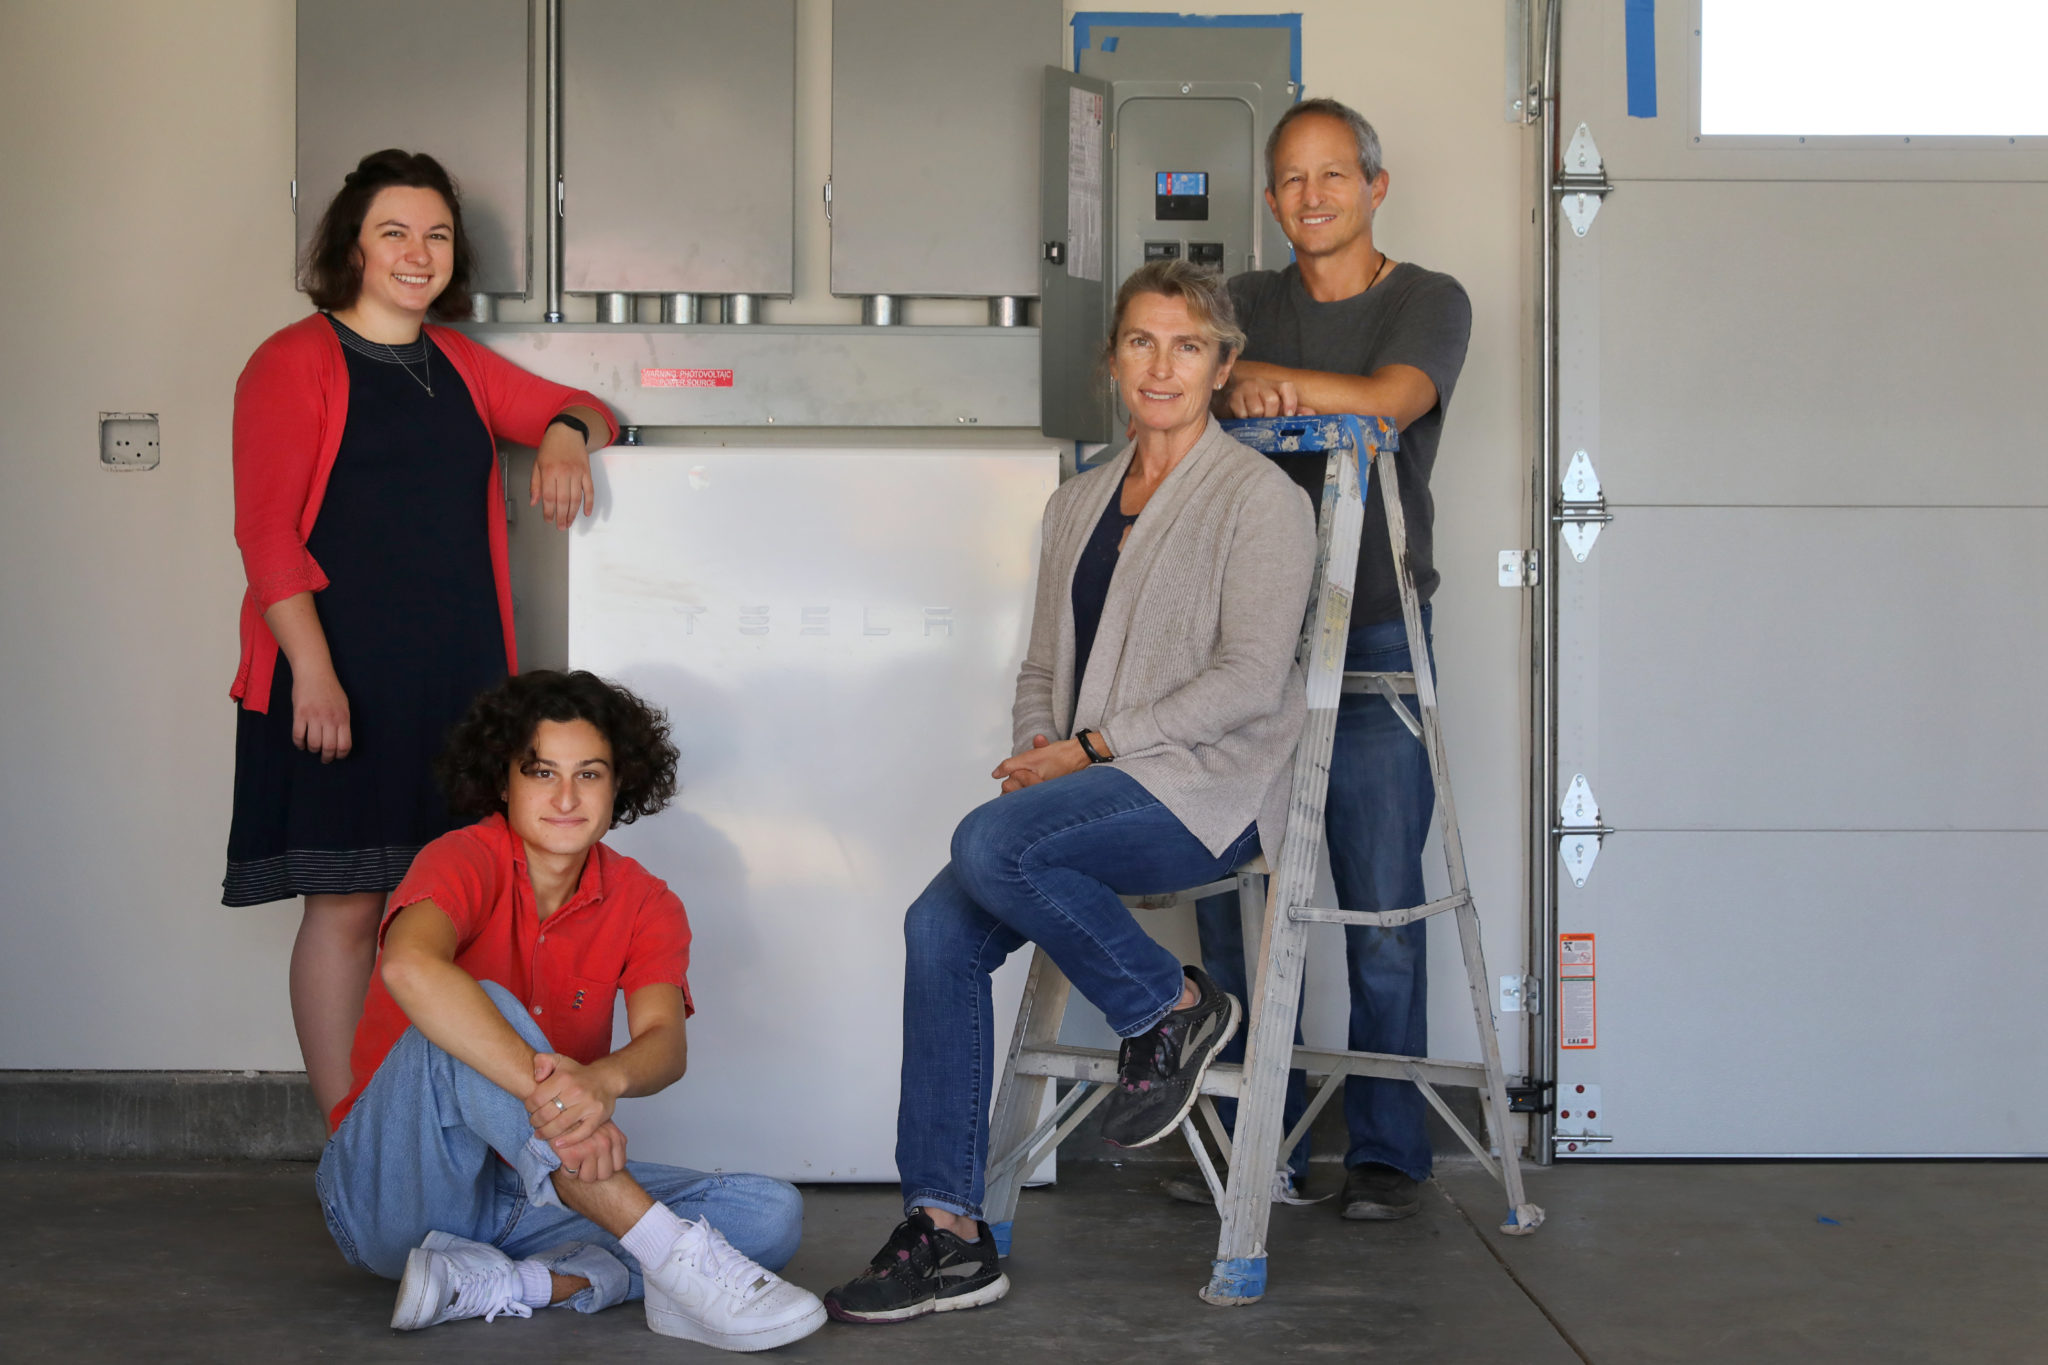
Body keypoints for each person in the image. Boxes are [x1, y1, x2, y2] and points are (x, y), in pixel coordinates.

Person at [821, 259, 1317, 1325]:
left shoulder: (1259, 501)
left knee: (990, 848)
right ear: (1113, 360)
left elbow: (1247, 678)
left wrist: (1090, 748)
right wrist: (1035, 749)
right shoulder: (1078, 502)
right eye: (1140, 341)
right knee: (935, 925)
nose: (1161, 365)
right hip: (1090, 783)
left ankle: (1172, 1007)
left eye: (1187, 345)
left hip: (1201, 794)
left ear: (1222, 365)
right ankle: (949, 1229)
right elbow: (1041, 667)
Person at [222, 149, 618, 1119]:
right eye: (394, 232)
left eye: (436, 234)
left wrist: (563, 433)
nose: (418, 252)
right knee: (349, 907)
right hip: (337, 679)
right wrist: (312, 672)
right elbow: (265, 534)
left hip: (457, 689)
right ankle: (346, 1136)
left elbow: (592, 411)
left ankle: (440, 1129)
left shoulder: (457, 365)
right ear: (351, 247)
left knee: (445, 912)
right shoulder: (291, 360)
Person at [313, 669, 825, 1351]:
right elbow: (409, 965)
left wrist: (603, 1080)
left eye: (589, 774)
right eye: (541, 771)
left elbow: (663, 1043)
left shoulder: (646, 901)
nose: (565, 796)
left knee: (770, 1214)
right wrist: (554, 1093)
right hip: (397, 1191)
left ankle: (522, 1284)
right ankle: (672, 1260)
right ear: (504, 781)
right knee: (475, 1004)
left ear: (619, 786)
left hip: (529, 1195)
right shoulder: (462, 857)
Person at [1175, 98, 1473, 1221]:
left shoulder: (1425, 299)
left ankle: (1388, 1151)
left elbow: (1394, 405)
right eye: (1290, 180)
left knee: (1378, 904)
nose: (1311, 196)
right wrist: (1228, 380)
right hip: (1244, 643)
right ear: (1269, 198)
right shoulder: (1245, 302)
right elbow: (1183, 385)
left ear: (1374, 186)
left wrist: (1276, 389)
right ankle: (1266, 1143)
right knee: (1230, 898)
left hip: (1377, 627)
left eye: (1333, 175)